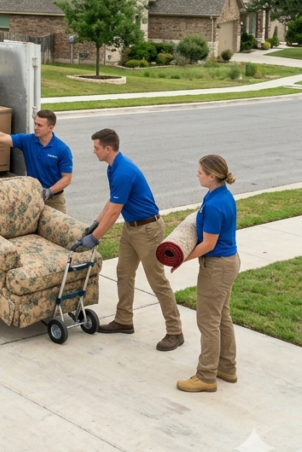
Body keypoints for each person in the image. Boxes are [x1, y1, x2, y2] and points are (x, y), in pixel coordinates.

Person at [71, 127, 184, 351]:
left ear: (108, 148)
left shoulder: (123, 171)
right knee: (123, 273)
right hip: (131, 229)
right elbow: (111, 203)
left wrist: (94, 238)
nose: (93, 152)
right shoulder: (113, 168)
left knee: (157, 281)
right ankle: (124, 320)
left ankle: (175, 331)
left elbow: (114, 213)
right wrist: (95, 222)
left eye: (96, 148)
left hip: (147, 230)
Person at [173, 155, 239, 393]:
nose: (197, 174)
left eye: (200, 172)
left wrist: (181, 258)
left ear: (212, 176)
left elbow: (209, 244)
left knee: (208, 321)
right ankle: (227, 367)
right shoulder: (219, 195)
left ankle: (206, 376)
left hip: (217, 267)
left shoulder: (214, 204)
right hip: (227, 263)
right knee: (222, 317)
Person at [0, 108, 72, 212]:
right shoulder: (27, 140)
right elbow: (3, 137)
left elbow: (67, 178)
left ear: (50, 128)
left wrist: (50, 191)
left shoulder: (62, 149)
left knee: (58, 227)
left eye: (40, 125)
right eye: (35, 124)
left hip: (54, 199)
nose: (35, 128)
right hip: (33, 196)